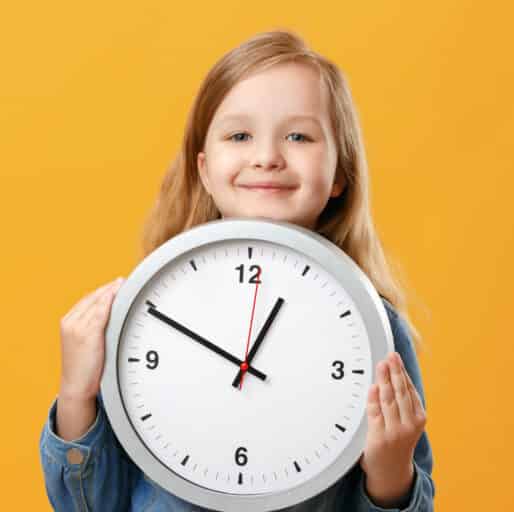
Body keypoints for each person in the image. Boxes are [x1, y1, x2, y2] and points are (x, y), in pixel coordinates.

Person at [39, 30, 435, 511]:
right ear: (205, 169)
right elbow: (89, 506)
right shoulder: (141, 316)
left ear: (339, 175)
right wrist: (76, 395)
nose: (267, 156)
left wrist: (391, 469)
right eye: (240, 135)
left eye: (298, 136)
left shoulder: (377, 329)